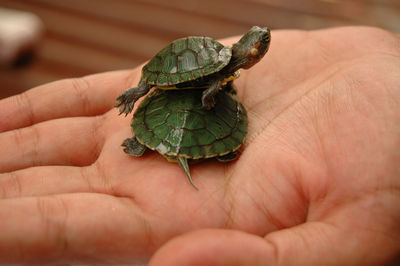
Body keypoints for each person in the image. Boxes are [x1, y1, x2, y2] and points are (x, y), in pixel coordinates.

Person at [0, 26, 399, 265]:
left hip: (191, 85)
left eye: (260, 42)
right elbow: (206, 85)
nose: (260, 46)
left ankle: (143, 141)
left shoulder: (229, 67)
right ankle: (141, 126)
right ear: (251, 53)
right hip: (176, 75)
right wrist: (210, 94)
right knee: (155, 86)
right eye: (259, 44)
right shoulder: (226, 67)